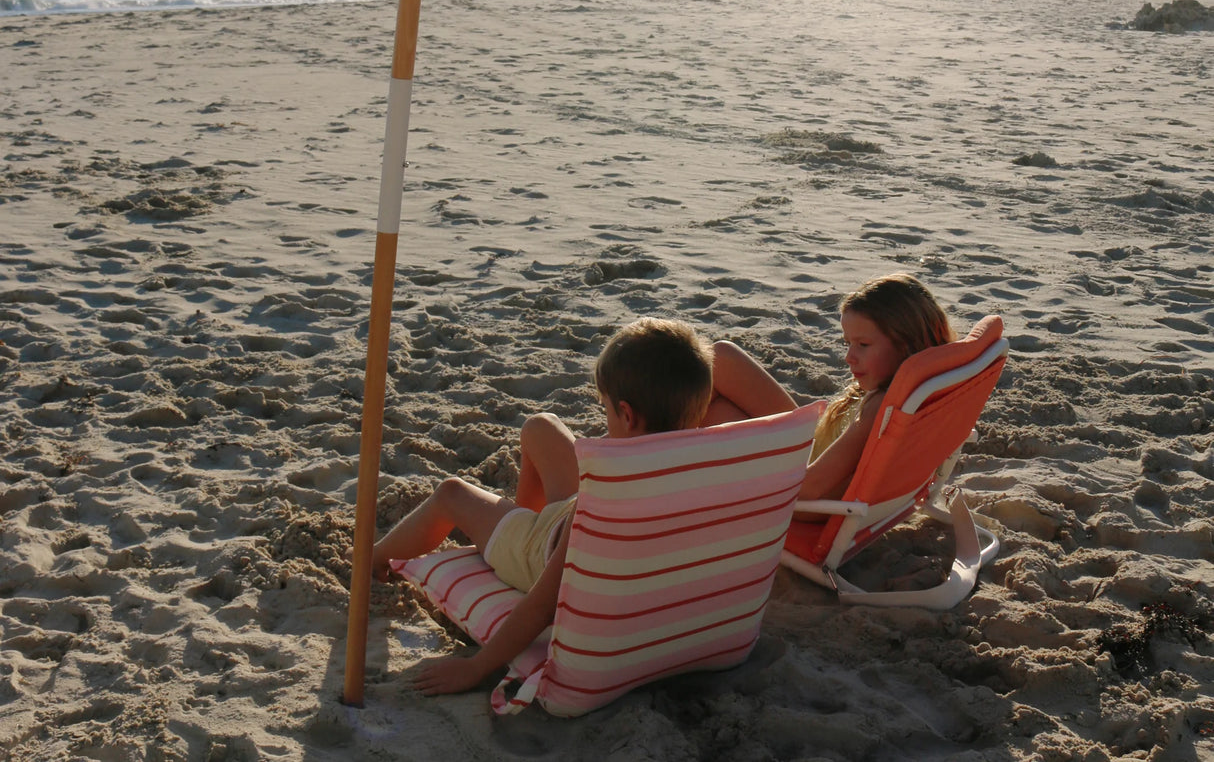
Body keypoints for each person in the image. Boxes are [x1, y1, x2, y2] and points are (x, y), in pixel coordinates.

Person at [361, 317, 714, 696]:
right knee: (540, 426)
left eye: (606, 409)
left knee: (451, 494)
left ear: (627, 415)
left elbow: (541, 607)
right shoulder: (701, 471)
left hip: (541, 550)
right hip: (574, 516)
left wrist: (476, 668)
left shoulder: (601, 506)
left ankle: (374, 558)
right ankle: (517, 516)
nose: (605, 417)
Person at [704, 274, 954, 508]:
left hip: (804, 492)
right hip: (810, 452)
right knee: (721, 359)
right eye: (848, 343)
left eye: (863, 345)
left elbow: (811, 488)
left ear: (906, 344)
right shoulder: (922, 386)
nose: (849, 357)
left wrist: (734, 478)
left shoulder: (882, 405)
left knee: (713, 412)